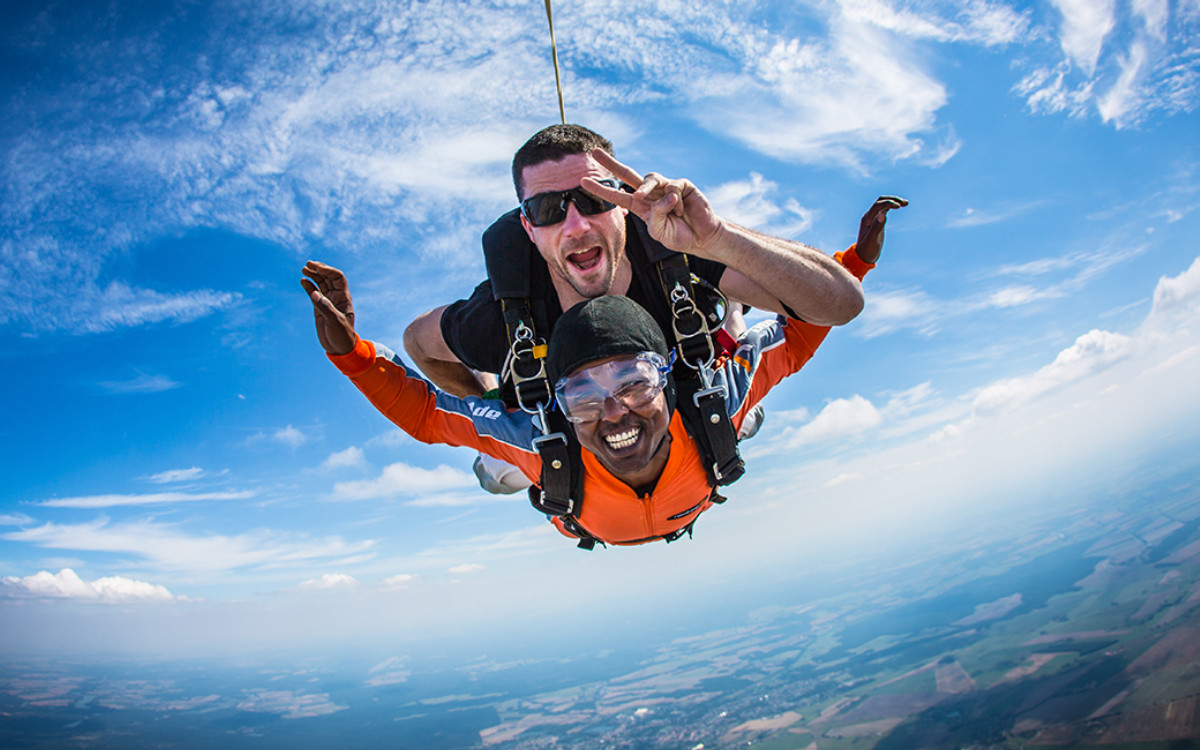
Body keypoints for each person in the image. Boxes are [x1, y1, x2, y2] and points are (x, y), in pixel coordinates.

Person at [301, 197, 905, 547]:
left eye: (633, 382)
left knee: (741, 403)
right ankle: (502, 399)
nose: (613, 409)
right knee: (494, 472)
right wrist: (349, 349)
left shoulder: (714, 398)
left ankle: (508, 405)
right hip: (578, 472)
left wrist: (853, 265)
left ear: (667, 375)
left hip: (594, 496)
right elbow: (796, 339)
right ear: (559, 402)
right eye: (583, 394)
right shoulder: (541, 441)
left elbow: (800, 330)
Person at [402, 124, 866, 401]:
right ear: (527, 228)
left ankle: (732, 308)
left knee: (734, 408)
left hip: (688, 398)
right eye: (547, 210)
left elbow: (841, 303)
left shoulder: (674, 257)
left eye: (593, 198)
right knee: (499, 474)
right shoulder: (505, 318)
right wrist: (491, 401)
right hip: (575, 445)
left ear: (624, 205)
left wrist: (718, 239)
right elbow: (417, 343)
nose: (577, 226)